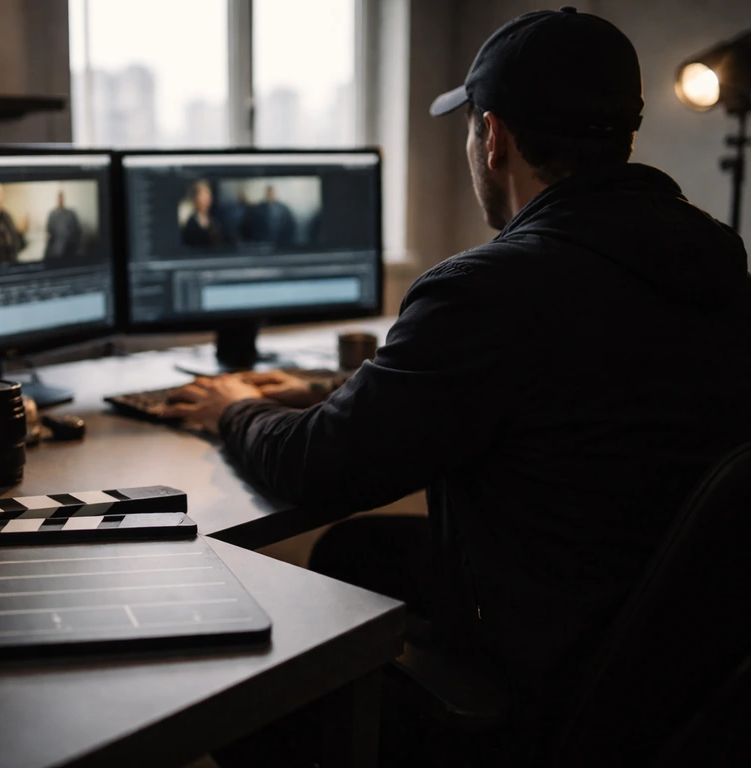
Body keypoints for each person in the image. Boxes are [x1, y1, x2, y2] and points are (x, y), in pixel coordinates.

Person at [162, 6, 751, 752]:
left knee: (238, 693)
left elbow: (317, 468)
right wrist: (329, 395)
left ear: (494, 137)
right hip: (660, 662)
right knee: (354, 553)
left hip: (540, 682)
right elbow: (550, 398)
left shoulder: (490, 290)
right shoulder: (713, 260)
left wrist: (232, 409)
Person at [180, 179, 221, 248]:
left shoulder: (214, 221)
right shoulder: (191, 223)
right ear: (195, 198)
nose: (207, 200)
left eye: (208, 195)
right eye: (203, 195)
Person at [44, 190, 82, 261]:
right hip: (57, 246)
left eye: (62, 199)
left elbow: (77, 230)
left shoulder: (70, 214)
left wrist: (74, 243)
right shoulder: (52, 214)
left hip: (70, 245)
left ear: (64, 200)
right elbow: (48, 231)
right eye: (59, 200)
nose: (60, 201)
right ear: (57, 200)